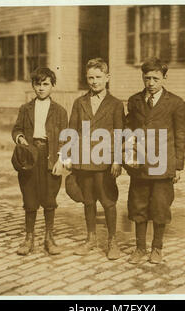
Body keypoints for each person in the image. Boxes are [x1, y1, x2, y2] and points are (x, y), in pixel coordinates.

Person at [125, 57, 185, 264]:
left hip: (163, 164)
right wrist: (130, 149)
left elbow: (180, 135)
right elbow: (128, 127)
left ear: (164, 78)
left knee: (160, 206)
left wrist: (178, 166)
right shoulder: (134, 101)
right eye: (146, 78)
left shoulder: (175, 102)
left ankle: (157, 248)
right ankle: (140, 248)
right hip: (140, 164)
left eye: (155, 78)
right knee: (138, 205)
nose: (150, 83)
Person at [67, 58, 125, 260]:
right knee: (88, 201)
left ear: (107, 78)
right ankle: (91, 238)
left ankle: (112, 241)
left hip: (105, 163)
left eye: (98, 77)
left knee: (108, 201)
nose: (94, 82)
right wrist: (68, 156)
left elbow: (119, 134)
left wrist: (117, 160)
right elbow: (72, 131)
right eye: (90, 77)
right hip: (84, 161)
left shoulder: (116, 104)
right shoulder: (79, 102)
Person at [11, 67, 68, 256]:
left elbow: (65, 137)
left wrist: (61, 160)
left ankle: (49, 238)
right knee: (30, 197)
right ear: (33, 86)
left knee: (49, 197)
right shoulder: (25, 109)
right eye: (38, 84)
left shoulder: (59, 111)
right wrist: (20, 139)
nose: (41, 88)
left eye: (46, 84)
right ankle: (29, 238)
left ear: (52, 86)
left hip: (50, 155)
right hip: (30, 156)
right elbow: (16, 129)